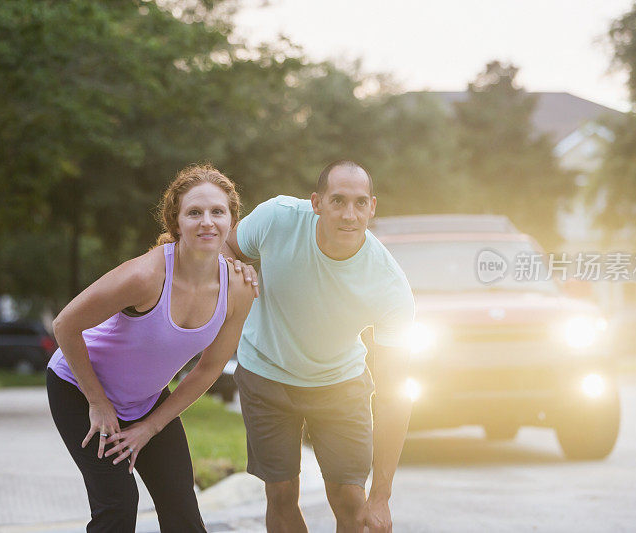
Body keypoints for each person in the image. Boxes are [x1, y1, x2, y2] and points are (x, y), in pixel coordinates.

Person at [46, 163, 254, 532]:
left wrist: (150, 427)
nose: (207, 221)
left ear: (231, 221)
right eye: (194, 212)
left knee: (182, 513)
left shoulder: (238, 289)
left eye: (217, 212)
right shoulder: (145, 276)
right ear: (176, 223)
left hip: (145, 400)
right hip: (79, 389)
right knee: (118, 506)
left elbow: (207, 370)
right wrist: (98, 402)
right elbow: (65, 325)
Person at [224, 160, 415, 532]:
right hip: (266, 371)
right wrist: (238, 276)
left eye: (360, 203)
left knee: (350, 501)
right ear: (316, 203)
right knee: (281, 492)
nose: (349, 214)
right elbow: (228, 248)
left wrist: (382, 497)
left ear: (372, 207)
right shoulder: (277, 219)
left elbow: (394, 395)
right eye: (338, 201)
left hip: (340, 383)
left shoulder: (389, 284)